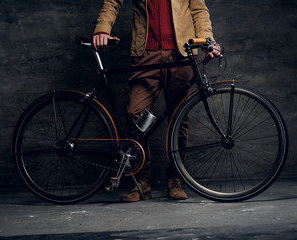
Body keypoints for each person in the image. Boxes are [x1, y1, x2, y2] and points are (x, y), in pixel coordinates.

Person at [92, 0, 221, 202]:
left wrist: (206, 39)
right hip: (145, 54)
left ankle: (175, 179)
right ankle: (141, 183)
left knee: (179, 119)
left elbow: (198, 9)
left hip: (181, 54)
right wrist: (102, 29)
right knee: (135, 114)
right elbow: (112, 2)